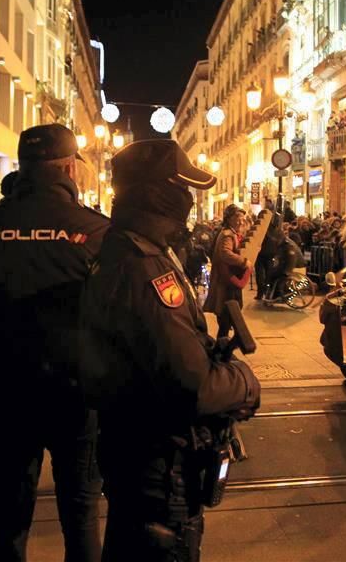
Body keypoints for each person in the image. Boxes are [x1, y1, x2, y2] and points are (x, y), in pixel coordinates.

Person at [78, 139, 261, 561]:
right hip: (160, 466)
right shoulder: (145, 267)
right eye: (183, 190)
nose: (189, 200)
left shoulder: (125, 249)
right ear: (160, 193)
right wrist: (245, 384)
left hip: (136, 457)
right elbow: (193, 385)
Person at [0, 124, 110, 562]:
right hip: (76, 392)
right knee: (80, 514)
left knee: (7, 521)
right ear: (68, 167)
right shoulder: (95, 230)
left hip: (4, 391)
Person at [204, 204, 248, 340]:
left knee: (228, 317)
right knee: (227, 316)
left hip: (227, 281)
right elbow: (225, 253)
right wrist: (244, 262)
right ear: (228, 219)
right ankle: (221, 351)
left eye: (242, 217)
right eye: (237, 217)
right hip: (226, 283)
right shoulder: (227, 235)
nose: (240, 221)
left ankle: (223, 348)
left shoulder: (231, 233)